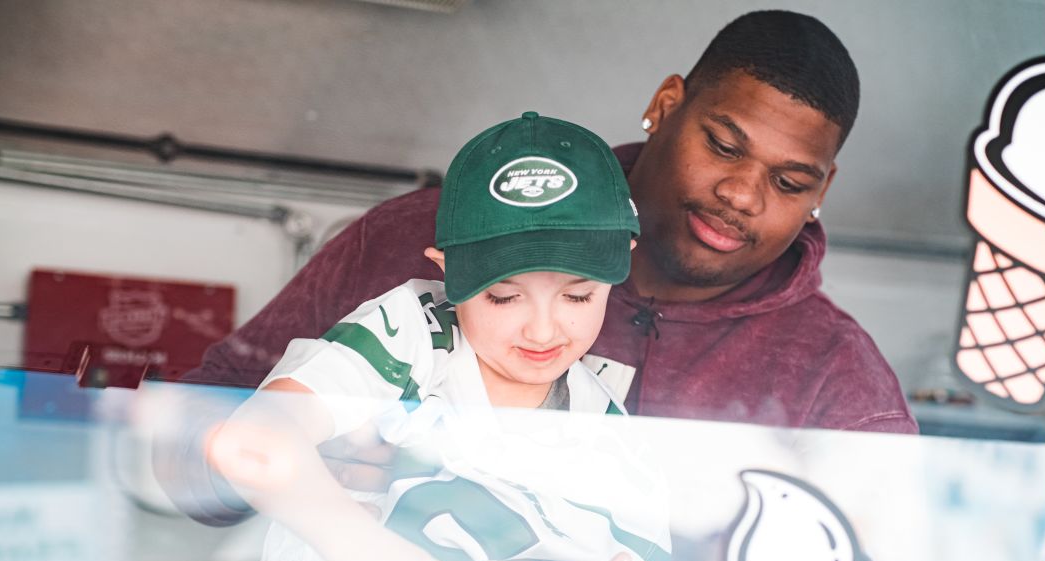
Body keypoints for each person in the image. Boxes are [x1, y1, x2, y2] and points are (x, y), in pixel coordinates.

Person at [183, 10, 917, 438]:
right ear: (666, 107)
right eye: (724, 146)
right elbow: (191, 447)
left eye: (791, 182)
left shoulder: (836, 379)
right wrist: (324, 457)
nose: (744, 195)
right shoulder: (413, 239)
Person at [207, 112, 670, 561]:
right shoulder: (412, 339)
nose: (544, 331)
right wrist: (364, 552)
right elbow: (252, 442)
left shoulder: (606, 423)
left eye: (578, 297)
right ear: (447, 273)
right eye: (504, 296)